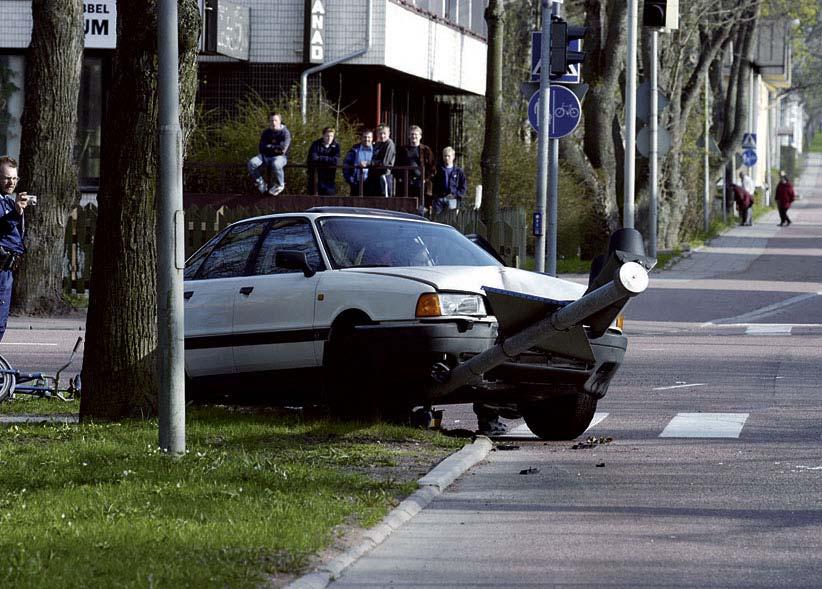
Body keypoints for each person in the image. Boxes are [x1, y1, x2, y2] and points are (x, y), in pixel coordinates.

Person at [0, 156, 30, 342]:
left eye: (14, 178)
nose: (11, 182)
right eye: (6, 178)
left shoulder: (9, 202)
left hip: (7, 271)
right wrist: (15, 214)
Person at [248, 112, 291, 196]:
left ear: (280, 121)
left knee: (276, 164)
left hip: (280, 157)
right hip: (265, 156)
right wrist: (274, 147)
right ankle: (260, 182)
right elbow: (261, 147)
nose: (273, 123)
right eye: (271, 121)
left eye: (275, 120)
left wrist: (269, 146)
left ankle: (280, 185)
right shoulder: (266, 132)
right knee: (251, 163)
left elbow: (282, 150)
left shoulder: (285, 133)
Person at [396, 125, 435, 211]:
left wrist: (426, 179)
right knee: (406, 208)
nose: (414, 136)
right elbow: (397, 165)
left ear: (420, 136)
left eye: (416, 134)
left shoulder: (426, 150)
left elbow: (432, 167)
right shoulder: (403, 150)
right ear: (409, 136)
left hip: (421, 184)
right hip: (407, 183)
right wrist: (400, 178)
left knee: (421, 208)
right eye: (412, 134)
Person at [431, 146, 467, 215]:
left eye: (448, 156)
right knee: (438, 219)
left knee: (451, 219)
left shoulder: (459, 171)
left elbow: (463, 187)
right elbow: (433, 182)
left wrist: (455, 194)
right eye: (445, 156)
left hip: (452, 199)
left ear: (453, 157)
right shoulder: (438, 169)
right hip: (439, 199)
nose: (446, 158)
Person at [306, 127, 340, 196]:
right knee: (313, 199)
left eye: (331, 136)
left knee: (329, 200)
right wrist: (328, 160)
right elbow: (313, 158)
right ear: (323, 135)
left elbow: (336, 160)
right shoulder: (315, 144)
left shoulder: (336, 146)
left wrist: (320, 158)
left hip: (329, 179)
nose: (329, 138)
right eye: (327, 136)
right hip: (315, 178)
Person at [365, 124, 396, 197]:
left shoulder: (389, 144)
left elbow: (384, 163)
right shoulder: (378, 144)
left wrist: (368, 163)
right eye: (380, 133)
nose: (382, 136)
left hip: (384, 177)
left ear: (389, 133)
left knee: (384, 201)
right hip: (374, 178)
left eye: (384, 133)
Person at [342, 129, 374, 196]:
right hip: (356, 183)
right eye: (364, 137)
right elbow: (346, 164)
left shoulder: (376, 150)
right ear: (361, 138)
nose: (366, 139)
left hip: (371, 184)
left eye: (369, 137)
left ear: (372, 138)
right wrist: (350, 179)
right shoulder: (355, 149)